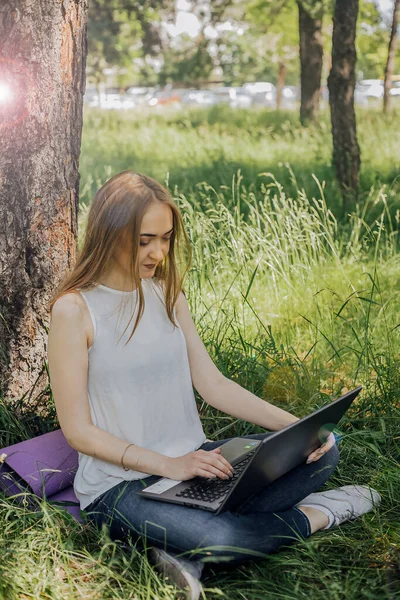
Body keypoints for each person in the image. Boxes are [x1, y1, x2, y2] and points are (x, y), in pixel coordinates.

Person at [47, 171, 381, 600]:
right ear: (110, 233)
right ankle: (319, 514)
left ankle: (179, 544)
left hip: (199, 462)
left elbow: (213, 385)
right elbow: (77, 430)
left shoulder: (166, 291)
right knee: (223, 538)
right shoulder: (75, 310)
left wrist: (302, 426)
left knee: (326, 447)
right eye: (145, 239)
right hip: (121, 485)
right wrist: (170, 466)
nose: (158, 252)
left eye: (166, 239)